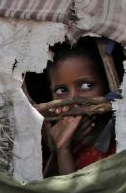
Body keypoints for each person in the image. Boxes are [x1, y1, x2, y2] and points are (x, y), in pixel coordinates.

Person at [41, 39, 116, 176]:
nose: (73, 100)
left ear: (106, 85)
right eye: (61, 90)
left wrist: (64, 150)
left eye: (86, 86)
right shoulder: (49, 134)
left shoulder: (121, 140)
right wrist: (61, 148)